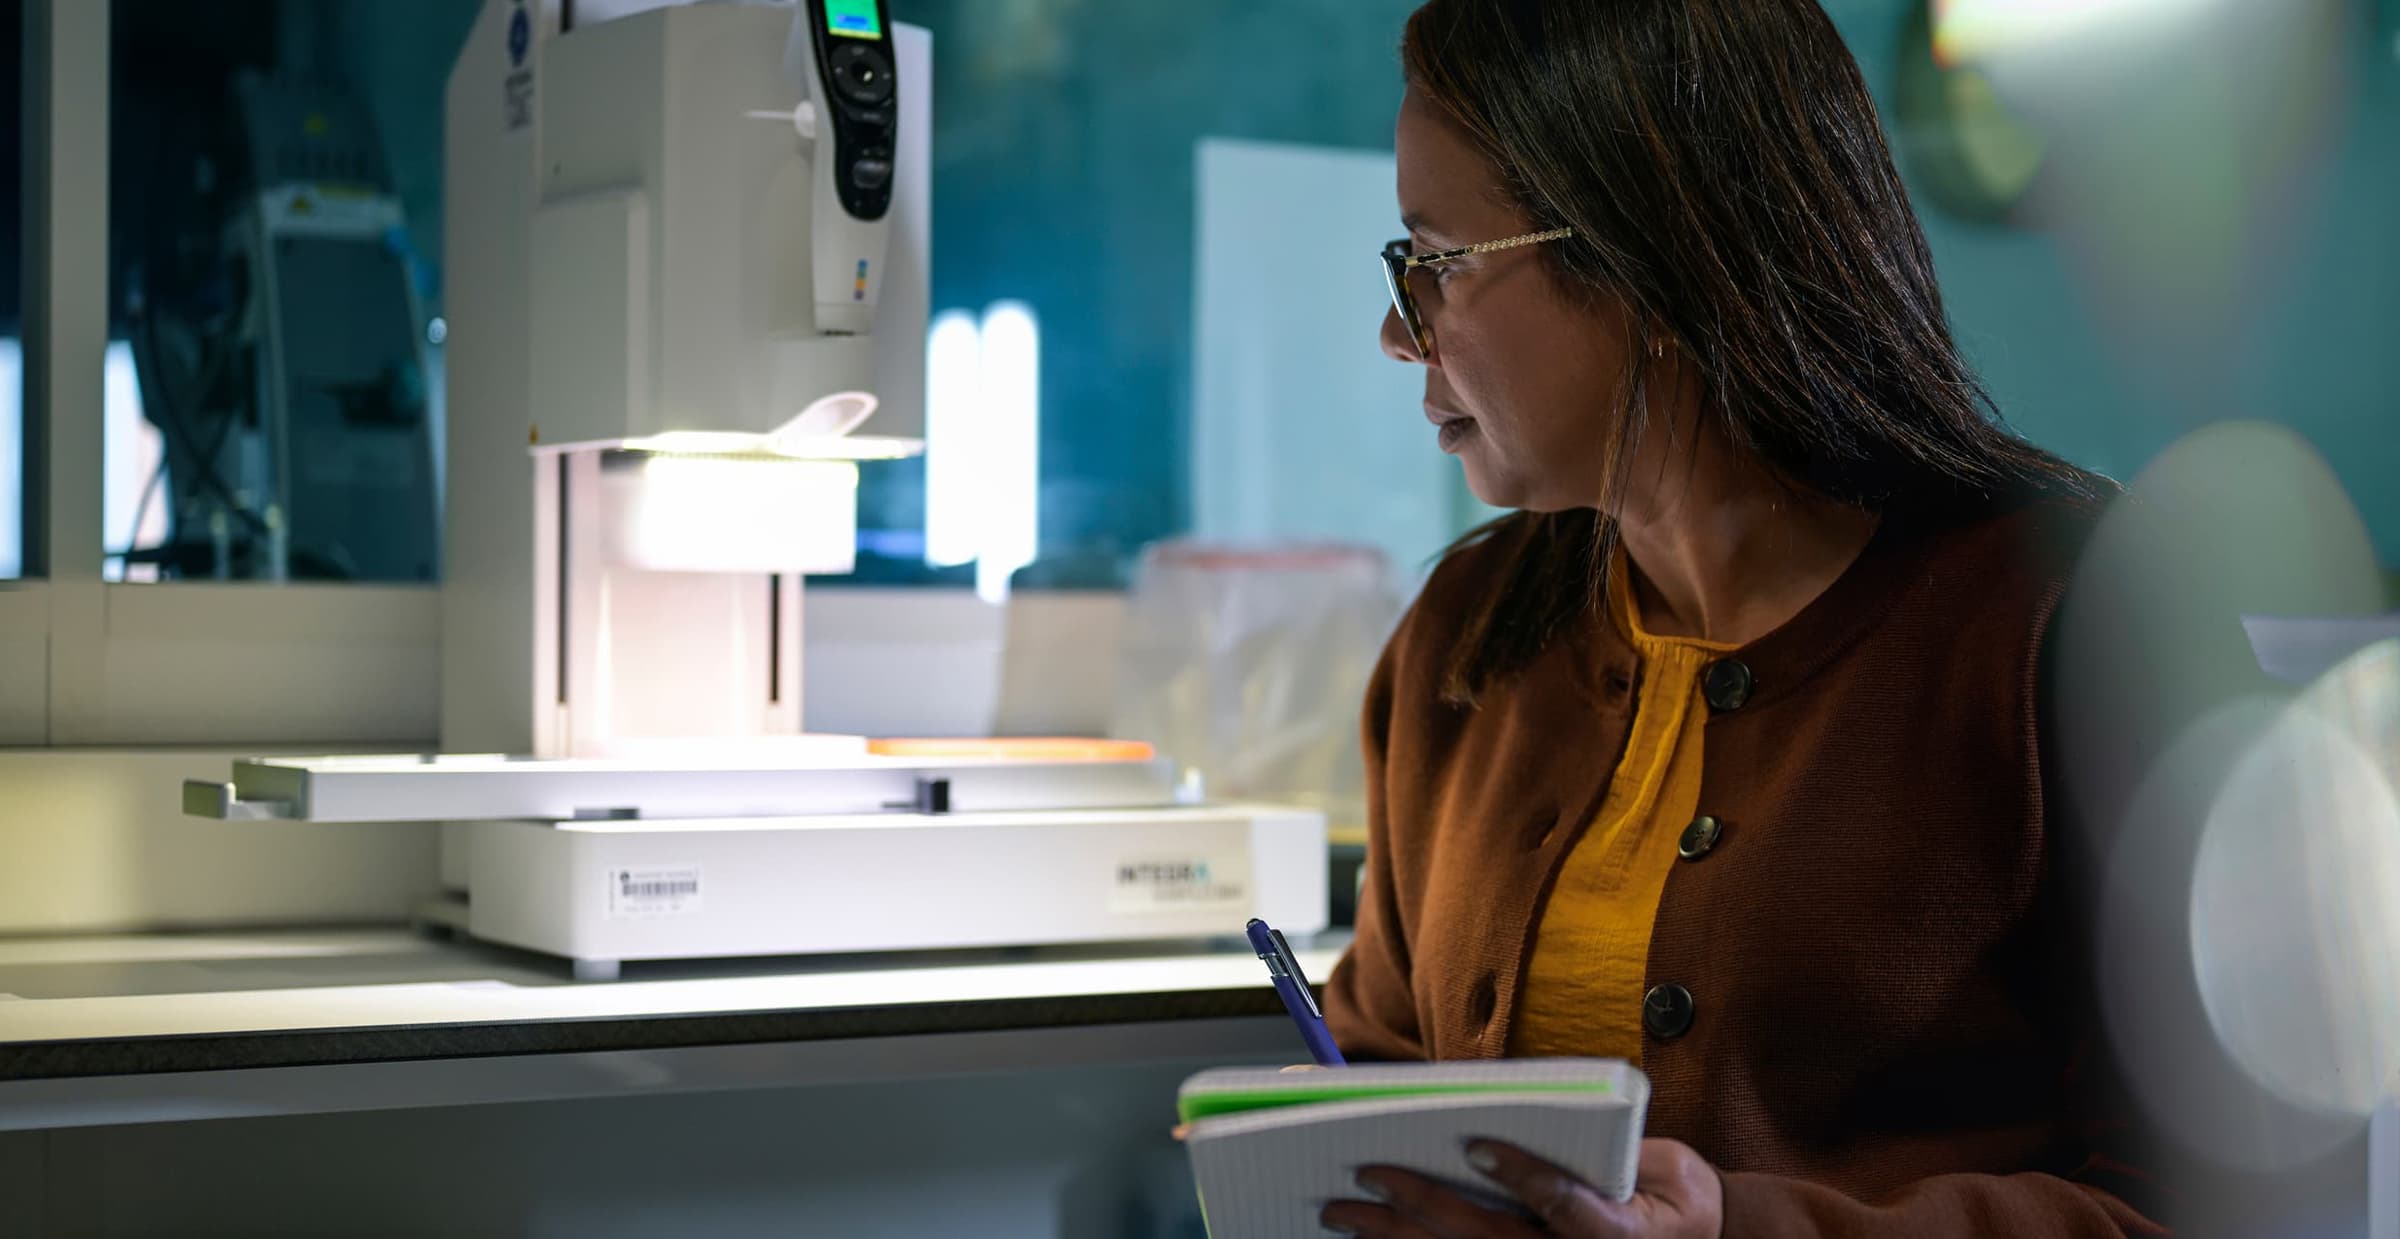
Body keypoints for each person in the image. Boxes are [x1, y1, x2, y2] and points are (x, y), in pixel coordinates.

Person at [1318, 1, 2188, 1235]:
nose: (1401, 333)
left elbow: (2221, 1198)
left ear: (1648, 256)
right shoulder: (1465, 636)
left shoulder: (2079, 619)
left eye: (1435, 260)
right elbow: (1379, 1083)